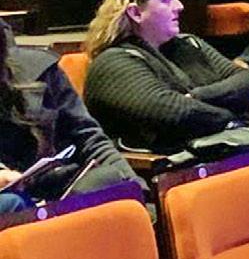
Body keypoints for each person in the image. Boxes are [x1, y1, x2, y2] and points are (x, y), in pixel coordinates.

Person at [80, 0, 249, 152]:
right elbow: (173, 112)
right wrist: (231, 119)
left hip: (209, 150)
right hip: (157, 165)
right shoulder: (113, 62)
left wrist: (197, 96)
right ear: (135, 13)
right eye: (167, 0)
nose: (179, 6)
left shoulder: (190, 43)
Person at [0, 17, 143, 213]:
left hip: (54, 191)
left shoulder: (40, 70)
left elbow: (89, 139)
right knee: (12, 203)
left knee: (111, 181)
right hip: (13, 208)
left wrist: (136, 188)